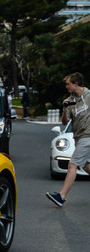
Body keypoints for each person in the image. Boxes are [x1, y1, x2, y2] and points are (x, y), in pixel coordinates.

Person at [46, 72, 90, 207]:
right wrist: (65, 109)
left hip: (87, 136)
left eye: (68, 84)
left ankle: (61, 196)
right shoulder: (70, 101)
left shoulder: (89, 96)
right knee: (86, 166)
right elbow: (65, 123)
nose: (66, 87)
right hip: (78, 137)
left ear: (76, 84)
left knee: (72, 165)